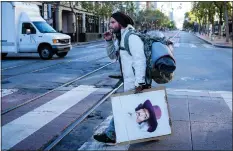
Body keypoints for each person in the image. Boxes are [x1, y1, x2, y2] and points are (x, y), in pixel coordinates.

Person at [93, 11, 147, 144]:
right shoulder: (121, 37)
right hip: (128, 80)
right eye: (109, 22)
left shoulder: (131, 37)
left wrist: (139, 82)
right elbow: (113, 56)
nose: (110, 25)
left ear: (121, 23)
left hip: (134, 81)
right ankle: (152, 131)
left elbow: (140, 60)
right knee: (130, 107)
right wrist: (109, 41)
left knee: (123, 107)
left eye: (112, 22)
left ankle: (111, 134)